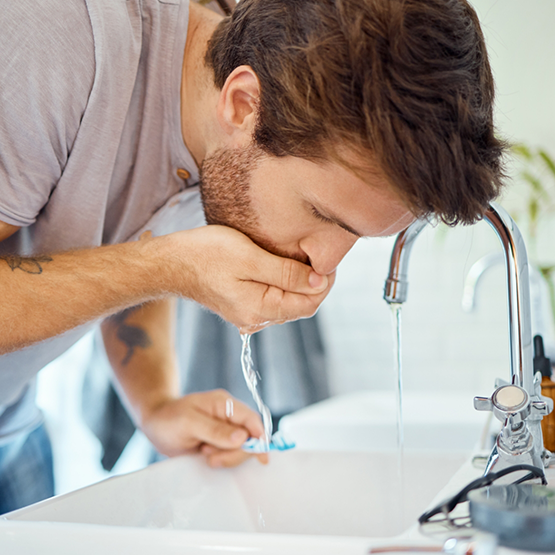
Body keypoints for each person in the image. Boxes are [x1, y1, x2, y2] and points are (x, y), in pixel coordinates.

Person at [0, 0, 506, 513]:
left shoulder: (216, 126)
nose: (323, 266)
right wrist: (173, 267)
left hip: (15, 429)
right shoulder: (60, 42)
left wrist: (154, 403)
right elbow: (152, 258)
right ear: (243, 104)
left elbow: (132, 223)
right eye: (324, 215)